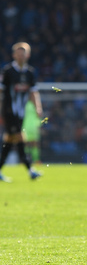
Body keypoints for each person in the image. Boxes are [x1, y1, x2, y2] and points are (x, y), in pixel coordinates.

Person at [0, 42, 43, 182]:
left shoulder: (30, 72)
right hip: (9, 111)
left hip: (21, 113)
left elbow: (33, 92)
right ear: (14, 55)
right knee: (20, 138)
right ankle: (30, 169)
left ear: (28, 55)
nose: (21, 55)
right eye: (18, 52)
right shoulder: (8, 71)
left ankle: (27, 170)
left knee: (12, 141)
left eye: (23, 52)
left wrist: (38, 107)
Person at [23, 100, 43, 165]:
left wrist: (38, 124)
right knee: (24, 142)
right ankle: (24, 160)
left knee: (34, 143)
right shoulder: (23, 102)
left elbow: (39, 114)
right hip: (24, 125)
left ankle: (36, 160)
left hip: (33, 125)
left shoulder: (36, 103)